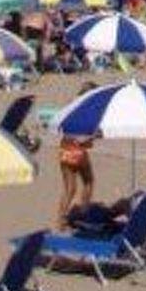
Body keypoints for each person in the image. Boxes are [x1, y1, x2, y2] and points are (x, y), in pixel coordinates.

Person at [56, 81, 98, 225]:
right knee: (88, 182)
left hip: (65, 147)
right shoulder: (89, 109)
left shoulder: (71, 106)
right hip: (78, 150)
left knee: (69, 188)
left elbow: (62, 127)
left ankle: (61, 219)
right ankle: (83, 212)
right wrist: (95, 136)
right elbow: (85, 137)